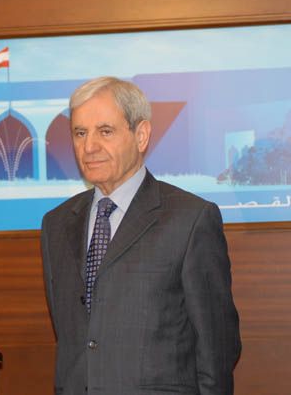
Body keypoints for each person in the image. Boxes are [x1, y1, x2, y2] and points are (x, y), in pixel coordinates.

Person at [41, 77, 241, 394]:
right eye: (80, 133)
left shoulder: (190, 218)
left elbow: (218, 346)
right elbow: (73, 338)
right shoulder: (57, 224)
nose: (89, 146)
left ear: (142, 135)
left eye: (105, 131)